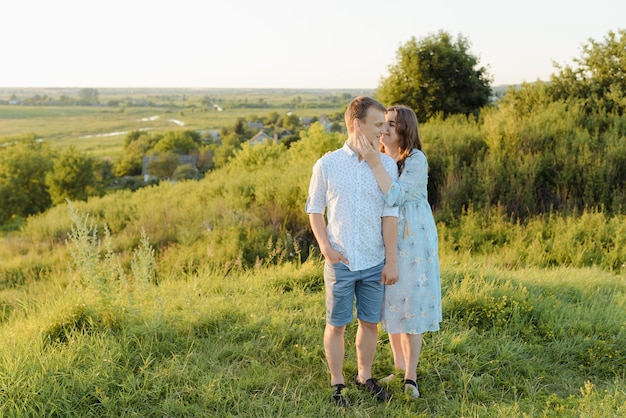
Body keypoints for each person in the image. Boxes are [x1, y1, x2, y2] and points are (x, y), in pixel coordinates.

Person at [305, 96, 400, 406]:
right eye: (377, 125)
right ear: (357, 124)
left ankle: (364, 375)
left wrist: (390, 259)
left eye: (385, 126)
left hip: (374, 261)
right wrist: (326, 248)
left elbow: (390, 214)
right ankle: (337, 383)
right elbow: (315, 209)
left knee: (370, 323)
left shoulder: (386, 164)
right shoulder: (327, 164)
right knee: (337, 324)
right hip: (341, 260)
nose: (382, 132)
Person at [356, 105, 442, 399]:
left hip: (413, 239)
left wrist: (375, 164)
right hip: (384, 238)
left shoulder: (416, 160)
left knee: (411, 308)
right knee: (390, 304)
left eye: (392, 124)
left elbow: (394, 195)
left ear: (405, 129)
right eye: (384, 124)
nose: (385, 129)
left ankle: (411, 376)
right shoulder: (381, 159)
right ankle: (398, 365)